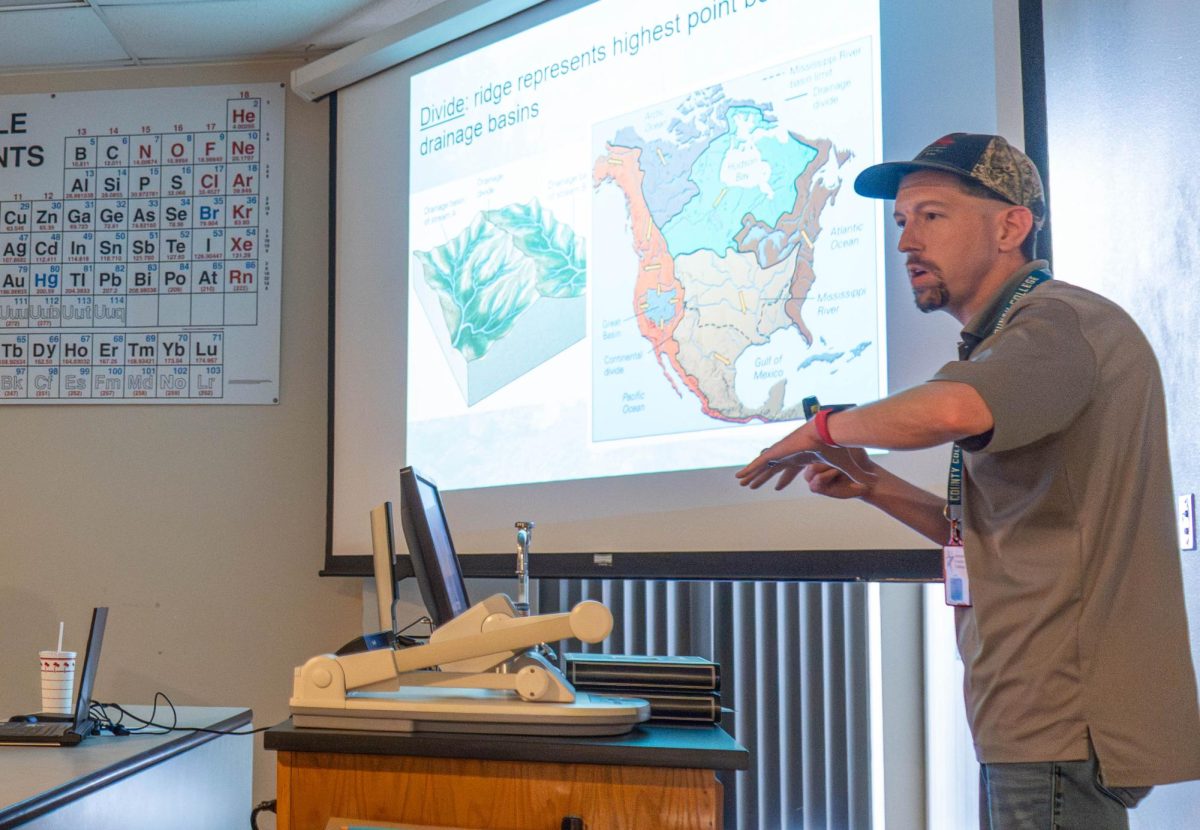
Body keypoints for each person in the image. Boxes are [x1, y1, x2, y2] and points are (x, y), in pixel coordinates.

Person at [736, 133, 1200, 829]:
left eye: (932, 216)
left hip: (1059, 718)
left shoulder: (1057, 323)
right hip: (1030, 717)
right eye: (901, 221)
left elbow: (953, 409)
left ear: (1011, 226)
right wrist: (874, 484)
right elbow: (997, 534)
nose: (906, 242)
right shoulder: (1011, 342)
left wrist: (824, 427)